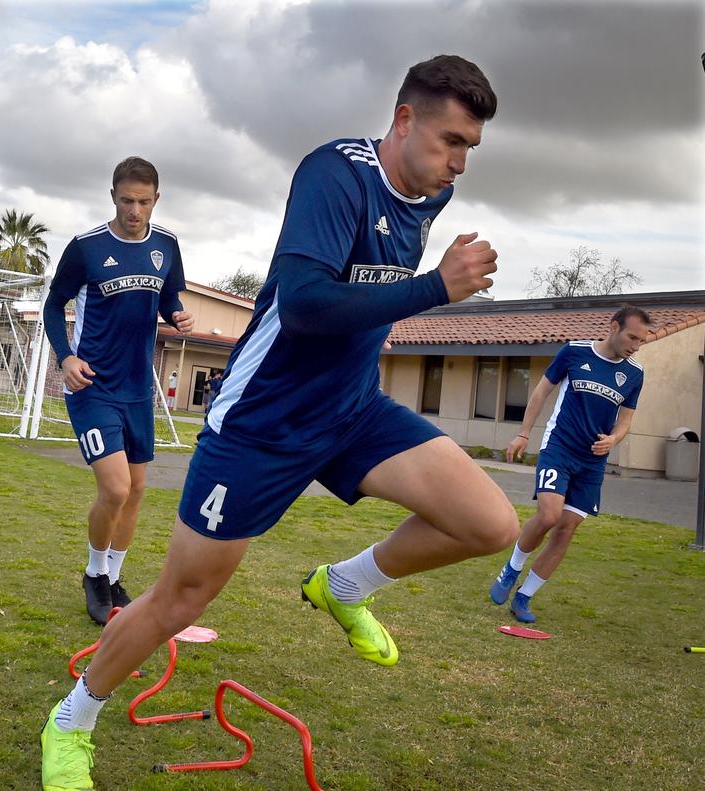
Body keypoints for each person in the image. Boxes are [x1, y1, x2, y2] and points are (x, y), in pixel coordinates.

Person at [41, 54, 517, 790]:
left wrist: (416, 290)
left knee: (489, 522)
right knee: (181, 598)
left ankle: (343, 584)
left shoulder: (429, 197)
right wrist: (434, 287)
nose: (459, 163)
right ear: (403, 120)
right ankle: (72, 718)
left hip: (352, 409)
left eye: (470, 149)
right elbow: (303, 305)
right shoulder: (334, 175)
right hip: (261, 421)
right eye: (450, 140)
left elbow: (368, 298)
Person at [42, 157, 194, 626]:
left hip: (137, 388)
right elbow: (53, 305)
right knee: (116, 487)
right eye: (127, 200)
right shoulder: (87, 247)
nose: (135, 210)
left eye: (144, 202)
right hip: (92, 386)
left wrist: (178, 315)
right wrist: (66, 357)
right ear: (113, 196)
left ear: (156, 200)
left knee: (138, 490)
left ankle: (114, 578)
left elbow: (168, 298)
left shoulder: (166, 244)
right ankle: (93, 576)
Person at [489, 306, 650, 623]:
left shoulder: (635, 374)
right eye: (632, 336)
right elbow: (541, 392)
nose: (635, 345)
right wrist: (523, 433)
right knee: (549, 515)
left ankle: (524, 598)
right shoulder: (575, 351)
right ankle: (511, 569)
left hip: (593, 463)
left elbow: (626, 420)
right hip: (559, 447)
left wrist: (613, 440)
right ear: (613, 327)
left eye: (641, 340)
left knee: (566, 530)